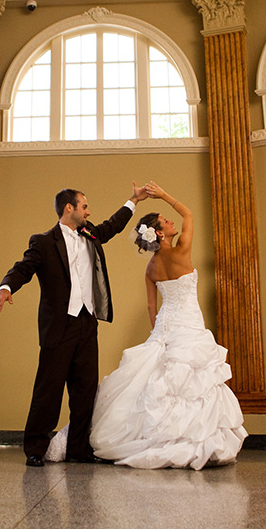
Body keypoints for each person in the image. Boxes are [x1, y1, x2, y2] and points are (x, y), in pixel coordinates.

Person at [46, 182, 247, 470]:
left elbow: (153, 308)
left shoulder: (151, 267)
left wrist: (159, 334)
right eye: (166, 221)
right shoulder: (182, 253)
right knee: (193, 383)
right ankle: (186, 440)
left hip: (167, 325)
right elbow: (189, 214)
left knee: (155, 377)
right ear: (160, 233)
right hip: (188, 323)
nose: (171, 221)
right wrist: (164, 194)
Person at [0, 183, 149, 468]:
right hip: (58, 326)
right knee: (48, 389)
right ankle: (36, 449)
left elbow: (112, 226)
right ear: (69, 208)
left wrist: (133, 201)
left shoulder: (90, 235)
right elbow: (23, 268)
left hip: (87, 323)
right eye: (84, 206)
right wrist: (5, 288)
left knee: (85, 389)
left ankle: (78, 449)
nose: (89, 211)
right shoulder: (43, 242)